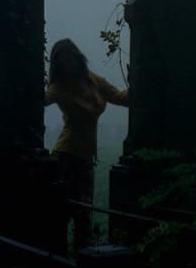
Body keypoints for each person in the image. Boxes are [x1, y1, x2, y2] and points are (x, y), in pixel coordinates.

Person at [45, 38, 130, 251]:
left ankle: (80, 256)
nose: (68, 63)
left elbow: (121, 98)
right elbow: (42, 99)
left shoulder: (93, 80)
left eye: (70, 58)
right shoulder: (58, 87)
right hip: (66, 155)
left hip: (85, 157)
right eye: (62, 60)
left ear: (77, 57)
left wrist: (137, 83)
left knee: (84, 215)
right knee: (64, 212)